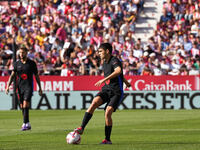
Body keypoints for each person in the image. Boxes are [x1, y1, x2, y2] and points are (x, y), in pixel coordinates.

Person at [74, 43, 131, 144]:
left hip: (116, 92)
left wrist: (104, 79)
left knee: (108, 112)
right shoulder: (104, 62)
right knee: (94, 102)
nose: (99, 53)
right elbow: (119, 74)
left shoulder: (114, 60)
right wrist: (126, 82)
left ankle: (107, 139)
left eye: (100, 51)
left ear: (107, 51)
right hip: (107, 89)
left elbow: (118, 71)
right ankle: (82, 128)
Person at [5, 47, 43, 131]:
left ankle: (24, 124)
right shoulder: (16, 64)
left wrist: (40, 88)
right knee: (22, 106)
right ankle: (27, 123)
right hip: (20, 88)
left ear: (26, 53)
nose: (21, 54)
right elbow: (12, 76)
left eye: (23, 52)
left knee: (26, 104)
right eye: (20, 53)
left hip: (28, 87)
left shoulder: (32, 63)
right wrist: (7, 86)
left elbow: (36, 76)